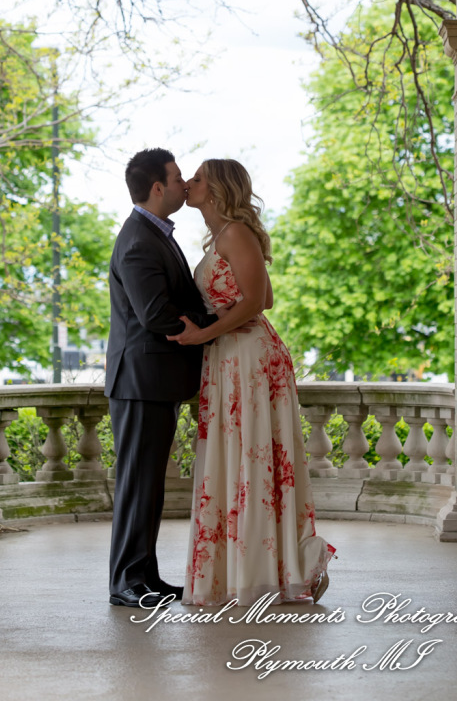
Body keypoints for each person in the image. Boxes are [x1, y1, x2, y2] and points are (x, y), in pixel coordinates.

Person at [167, 158, 336, 607]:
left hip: (250, 357)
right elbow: (265, 295)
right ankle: (244, 573)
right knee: (238, 457)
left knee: (254, 457)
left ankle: (265, 572)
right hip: (230, 356)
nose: (188, 183)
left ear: (219, 189)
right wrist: (219, 321)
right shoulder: (221, 237)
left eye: (198, 178)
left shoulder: (236, 233)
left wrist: (203, 332)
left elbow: (261, 300)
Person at [105, 148, 219, 608]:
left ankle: (146, 577)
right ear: (157, 187)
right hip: (140, 382)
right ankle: (126, 584)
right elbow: (155, 313)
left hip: (153, 381)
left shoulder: (156, 234)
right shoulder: (138, 241)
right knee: (137, 484)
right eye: (176, 178)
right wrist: (208, 325)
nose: (183, 184)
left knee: (149, 486)